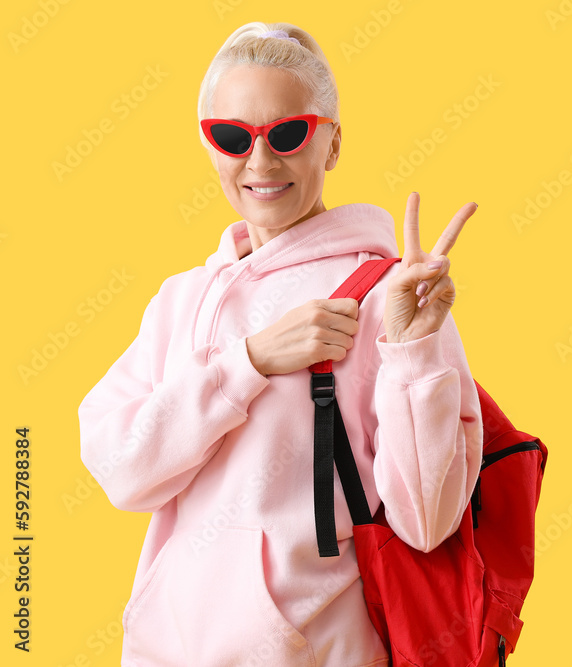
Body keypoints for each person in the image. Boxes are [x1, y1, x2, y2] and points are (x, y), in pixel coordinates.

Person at [78, 21, 484, 666]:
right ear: (208, 144)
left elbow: (426, 522)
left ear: (332, 142)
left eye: (288, 134)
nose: (260, 163)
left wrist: (413, 352)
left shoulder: (390, 294)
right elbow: (124, 472)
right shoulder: (182, 298)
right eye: (233, 137)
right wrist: (249, 363)